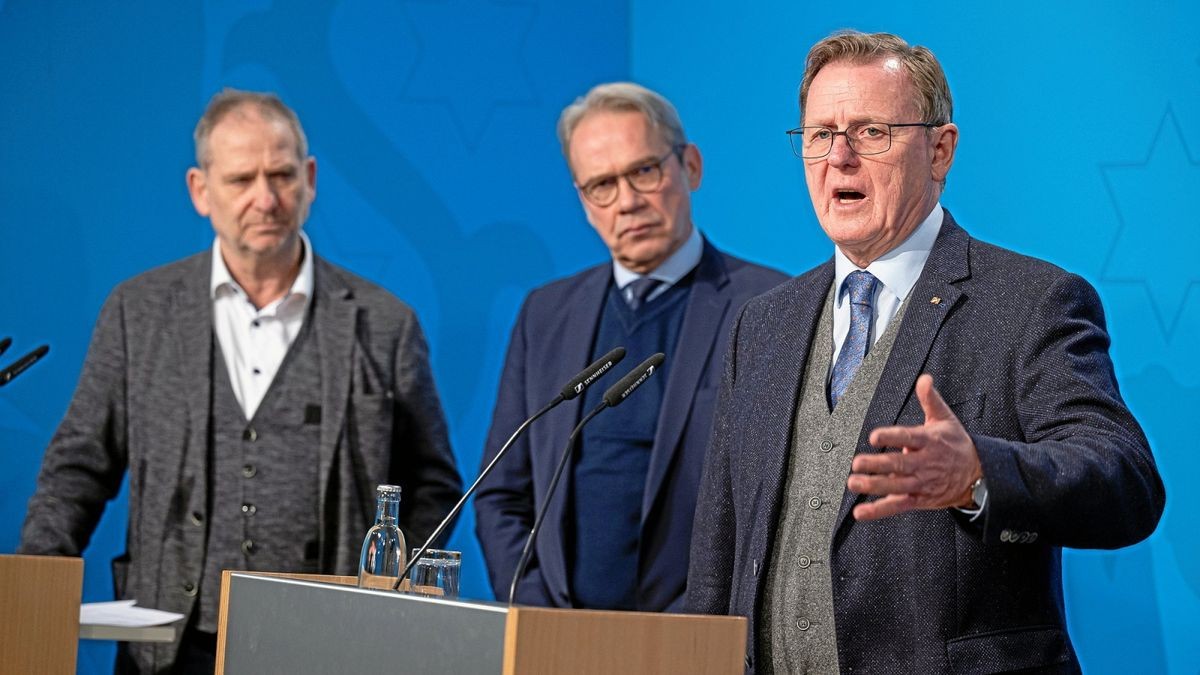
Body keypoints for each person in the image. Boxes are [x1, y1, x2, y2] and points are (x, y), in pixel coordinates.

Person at [686, 31, 1165, 674]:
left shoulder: (1030, 302)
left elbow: (1124, 482)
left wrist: (978, 477)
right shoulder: (763, 325)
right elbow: (718, 551)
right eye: (820, 135)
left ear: (940, 150)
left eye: (872, 132)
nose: (840, 158)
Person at [18, 89, 462, 674]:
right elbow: (78, 465)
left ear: (309, 179)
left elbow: (432, 485)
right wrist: (30, 592)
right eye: (241, 179)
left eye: (280, 175)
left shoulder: (384, 324)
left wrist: (393, 610)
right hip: (171, 647)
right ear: (200, 191)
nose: (265, 198)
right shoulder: (139, 311)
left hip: (331, 649)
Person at [474, 82, 787, 612]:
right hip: (555, 638)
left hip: (694, 642)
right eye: (602, 185)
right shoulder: (545, 314)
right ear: (583, 200)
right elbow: (502, 493)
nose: (627, 202)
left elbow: (777, 506)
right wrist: (537, 612)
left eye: (644, 171)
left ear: (690, 166)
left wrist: (686, 628)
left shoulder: (771, 307)